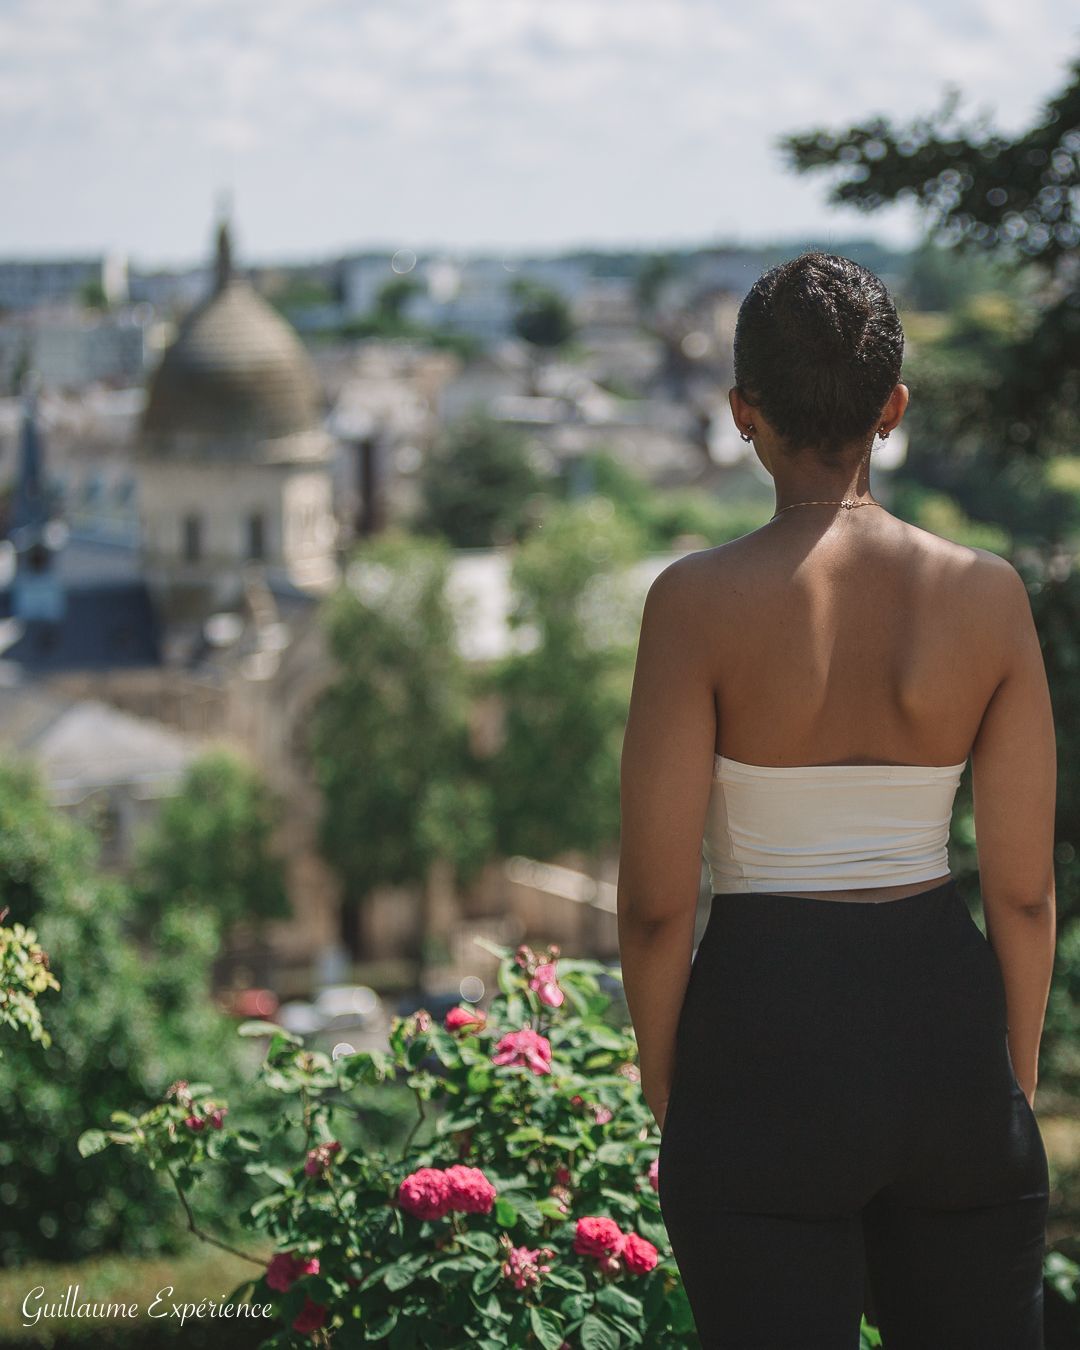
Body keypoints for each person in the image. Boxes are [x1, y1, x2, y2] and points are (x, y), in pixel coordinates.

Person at [617, 252, 1056, 1349]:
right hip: (948, 1039)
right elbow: (1025, 893)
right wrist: (1011, 1078)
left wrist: (675, 1094)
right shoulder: (987, 597)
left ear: (740, 415)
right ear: (893, 409)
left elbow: (658, 905)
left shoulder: (693, 605)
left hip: (759, 1048)